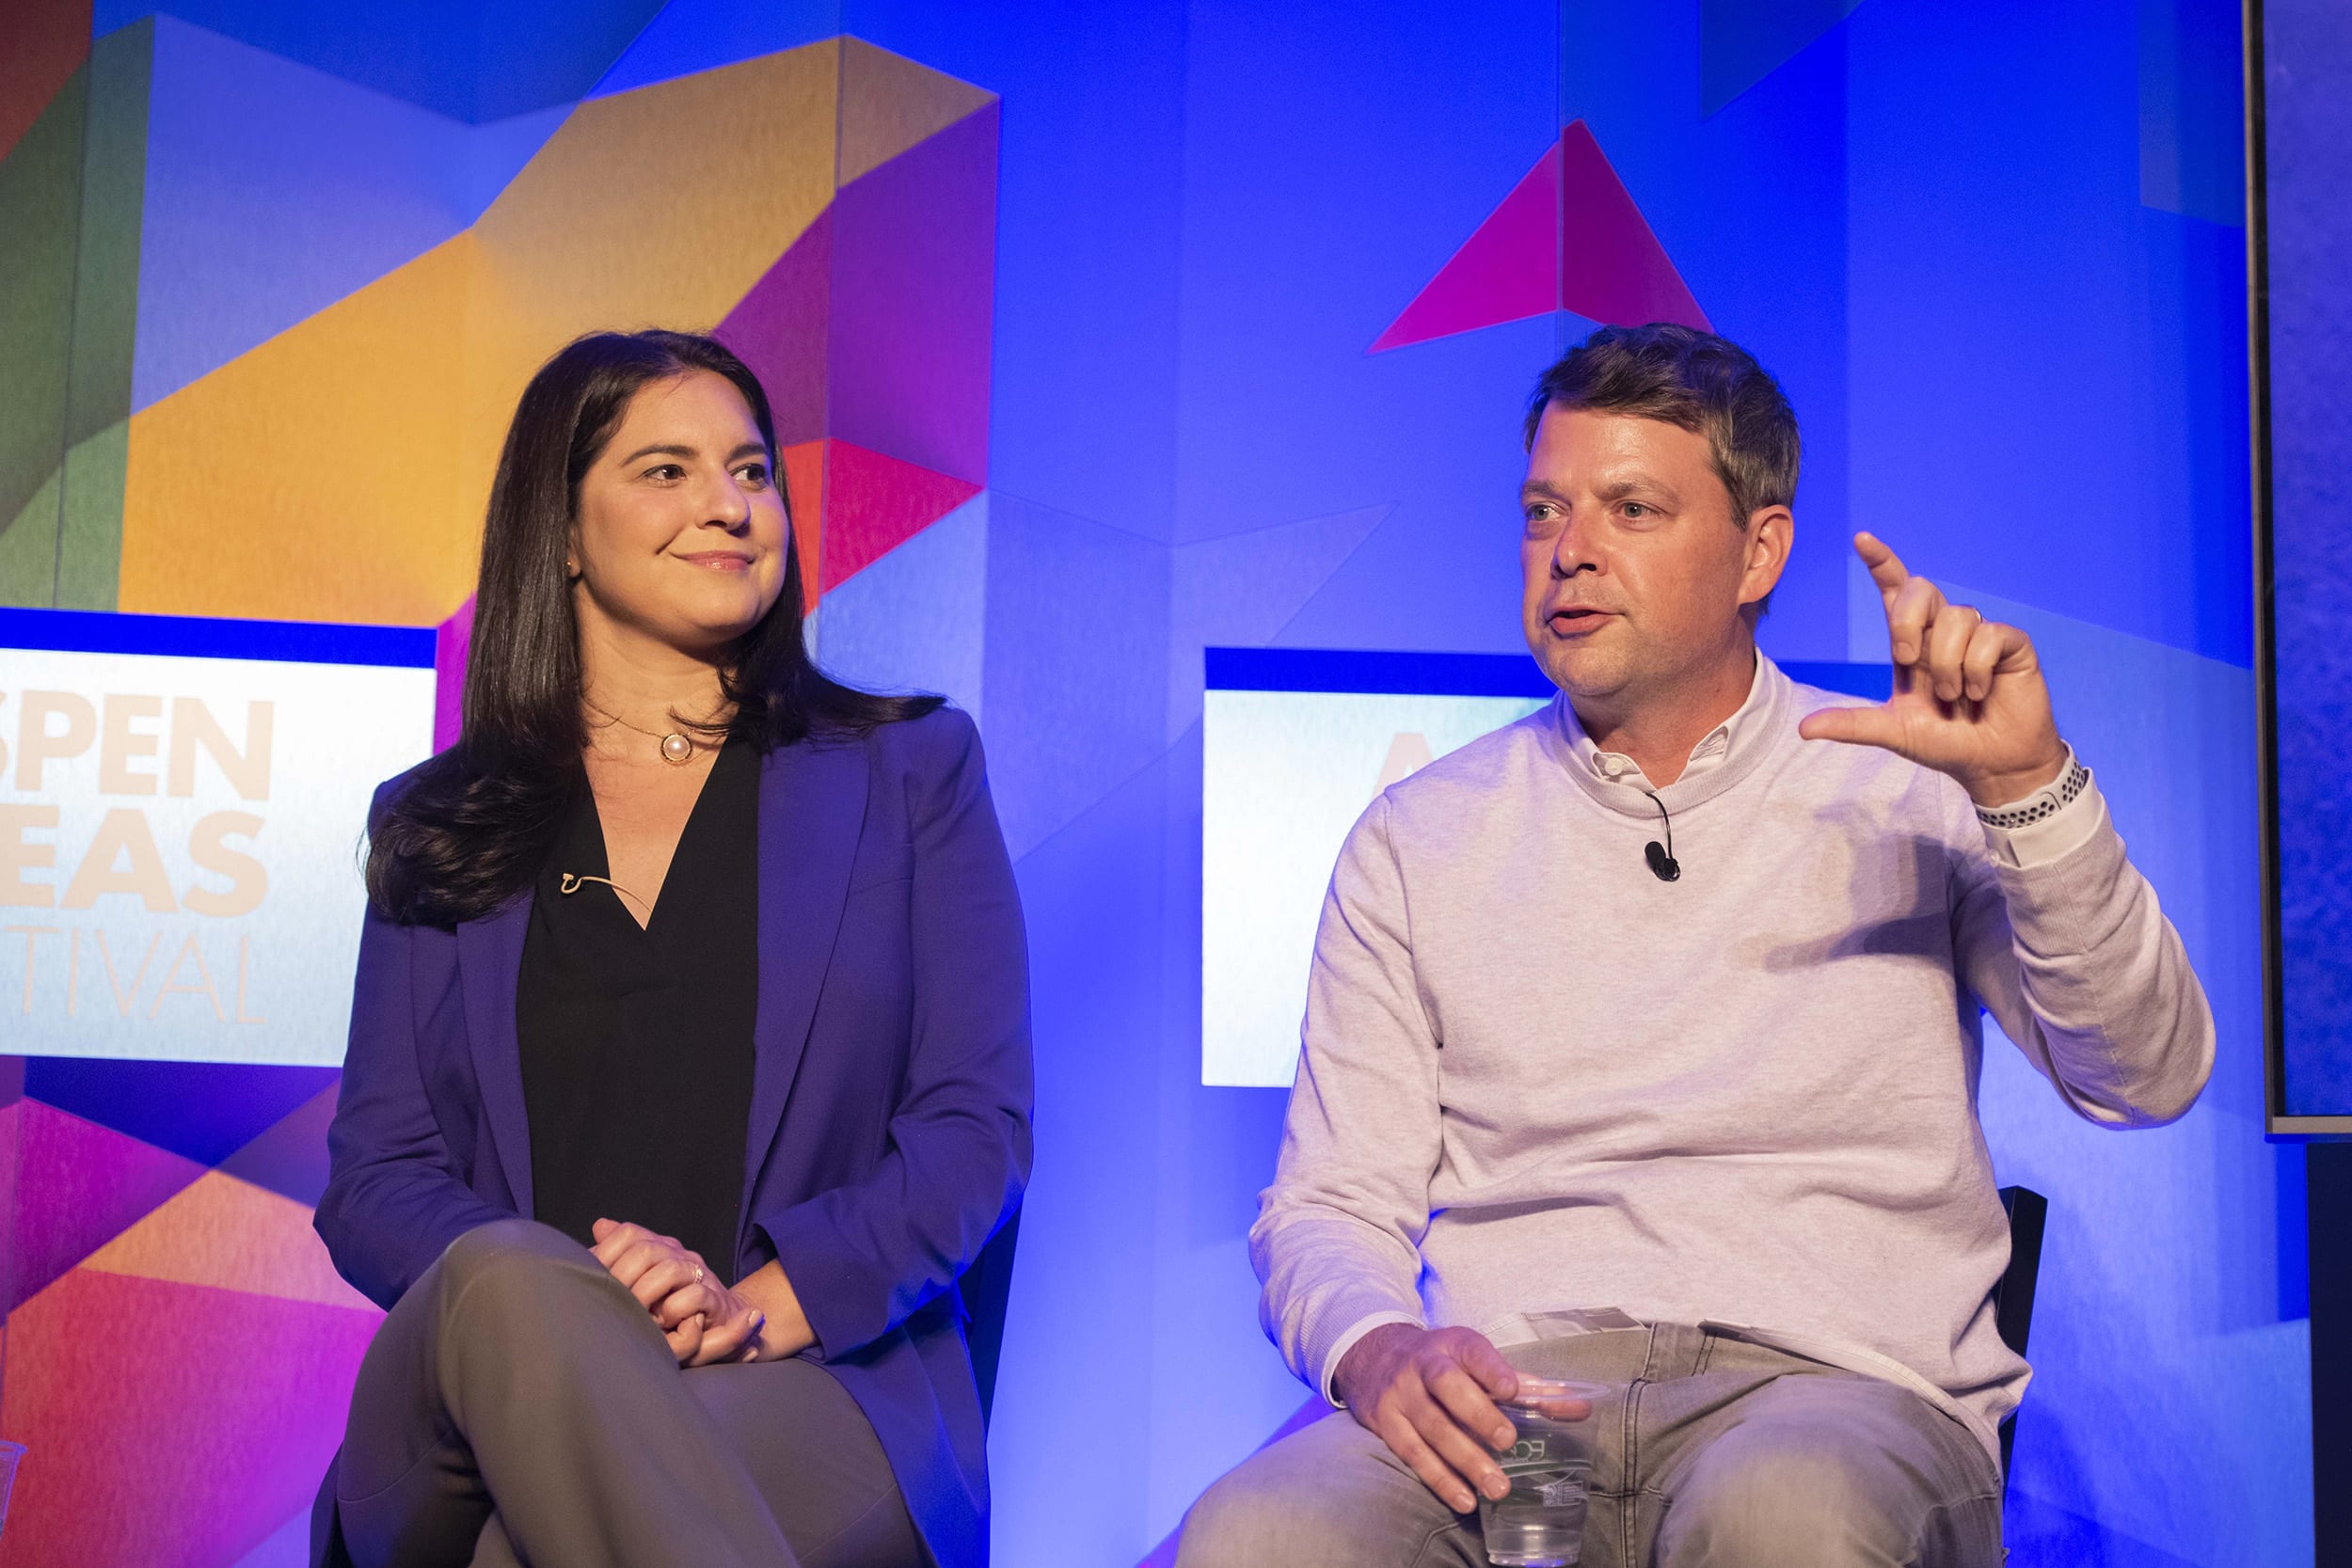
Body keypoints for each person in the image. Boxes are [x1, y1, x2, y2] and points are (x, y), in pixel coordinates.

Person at [1177, 324, 2212, 1567]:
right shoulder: (1421, 837)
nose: (1571, 552)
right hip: (1530, 1425)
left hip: (1823, 1389)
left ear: (1758, 552)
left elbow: (2144, 1076)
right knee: (1261, 1532)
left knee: (1783, 1517)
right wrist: (1373, 1347)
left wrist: (2032, 793)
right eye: (1544, 510)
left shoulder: (1914, 790)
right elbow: (1332, 1202)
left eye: (1632, 508)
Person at [310, 330, 1030, 1568]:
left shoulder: (912, 774)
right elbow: (377, 1177)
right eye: (667, 471)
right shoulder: (437, 822)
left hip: (812, 1379)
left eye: (751, 472)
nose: (728, 505)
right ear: (562, 533)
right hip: (467, 1403)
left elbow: (975, 1129)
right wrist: (576, 1304)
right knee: (515, 1291)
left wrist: (756, 1304)